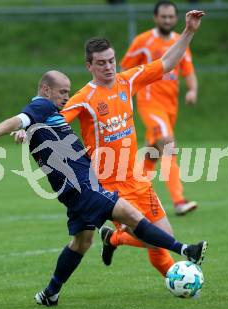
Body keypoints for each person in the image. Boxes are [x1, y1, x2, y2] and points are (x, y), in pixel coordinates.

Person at [0, 70, 207, 307]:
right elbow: (20, 118)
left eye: (68, 92)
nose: (65, 96)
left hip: (74, 190)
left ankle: (50, 294)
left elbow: (27, 124)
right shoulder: (43, 106)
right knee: (133, 216)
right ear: (45, 90)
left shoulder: (44, 114)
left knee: (81, 243)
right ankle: (186, 250)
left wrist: (24, 129)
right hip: (84, 187)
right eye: (62, 92)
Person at [60, 10, 206, 278]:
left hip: (136, 178)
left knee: (162, 238)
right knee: (157, 241)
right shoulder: (84, 97)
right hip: (108, 184)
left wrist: (189, 31)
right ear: (89, 66)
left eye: (111, 61)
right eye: (101, 63)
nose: (108, 66)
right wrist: (29, 130)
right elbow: (57, 122)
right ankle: (117, 240)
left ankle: (114, 239)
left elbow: (167, 63)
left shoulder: (128, 81)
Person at [120, 1, 198, 216]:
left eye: (171, 16)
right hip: (149, 103)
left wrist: (192, 90)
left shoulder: (179, 42)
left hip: (170, 106)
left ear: (176, 18)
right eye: (163, 16)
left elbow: (188, 69)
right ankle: (179, 200)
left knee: (152, 155)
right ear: (155, 18)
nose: (167, 20)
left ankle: (133, 196)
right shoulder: (143, 41)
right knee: (168, 144)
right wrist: (123, 97)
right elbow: (125, 70)